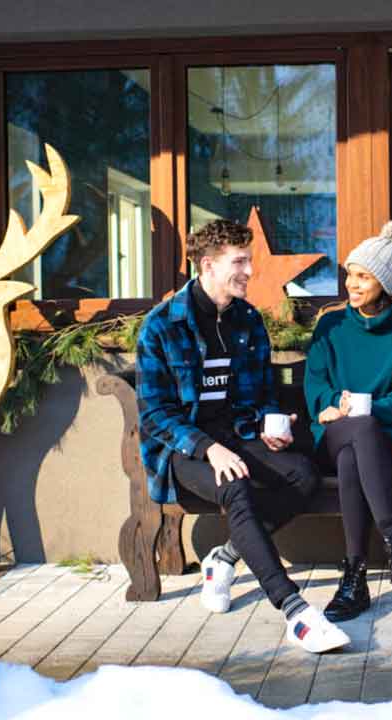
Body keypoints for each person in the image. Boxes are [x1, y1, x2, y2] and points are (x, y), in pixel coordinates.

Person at [136, 219, 350, 653]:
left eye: (249, 260)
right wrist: (207, 448)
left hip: (237, 436)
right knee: (234, 484)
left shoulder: (247, 320)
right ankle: (294, 611)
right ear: (208, 265)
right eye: (240, 262)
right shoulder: (162, 327)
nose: (250, 271)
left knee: (302, 475)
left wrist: (272, 426)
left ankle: (225, 557)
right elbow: (156, 413)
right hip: (183, 448)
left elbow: (262, 393)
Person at [304, 221, 392, 622]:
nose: (351, 285)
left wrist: (367, 407)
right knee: (354, 436)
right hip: (333, 432)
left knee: (358, 445)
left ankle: (354, 577)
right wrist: (327, 404)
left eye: (363, 276)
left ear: (386, 282)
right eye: (349, 275)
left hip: (389, 441)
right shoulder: (330, 325)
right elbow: (316, 383)